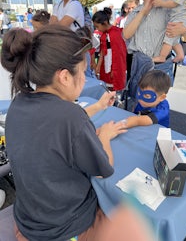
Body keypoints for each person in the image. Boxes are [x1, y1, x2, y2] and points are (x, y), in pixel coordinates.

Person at [0, 25, 129, 241]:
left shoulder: (18, 105)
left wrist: (97, 107)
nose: (85, 79)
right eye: (83, 72)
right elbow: (103, 170)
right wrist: (104, 135)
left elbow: (53, 124)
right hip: (66, 229)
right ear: (64, 77)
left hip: (26, 223)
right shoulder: (70, 118)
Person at [123, 0, 186, 107]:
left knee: (156, 110)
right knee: (137, 106)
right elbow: (126, 35)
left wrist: (183, 29)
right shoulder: (136, 11)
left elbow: (185, 26)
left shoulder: (169, 2)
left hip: (160, 67)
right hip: (139, 65)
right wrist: (143, 12)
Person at [92, 7, 127, 92]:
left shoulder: (115, 33)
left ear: (104, 23)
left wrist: (114, 70)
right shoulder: (104, 34)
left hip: (114, 67)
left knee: (113, 88)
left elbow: (118, 55)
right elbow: (103, 51)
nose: (97, 29)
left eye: (97, 26)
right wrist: (99, 66)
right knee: (106, 87)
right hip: (106, 66)